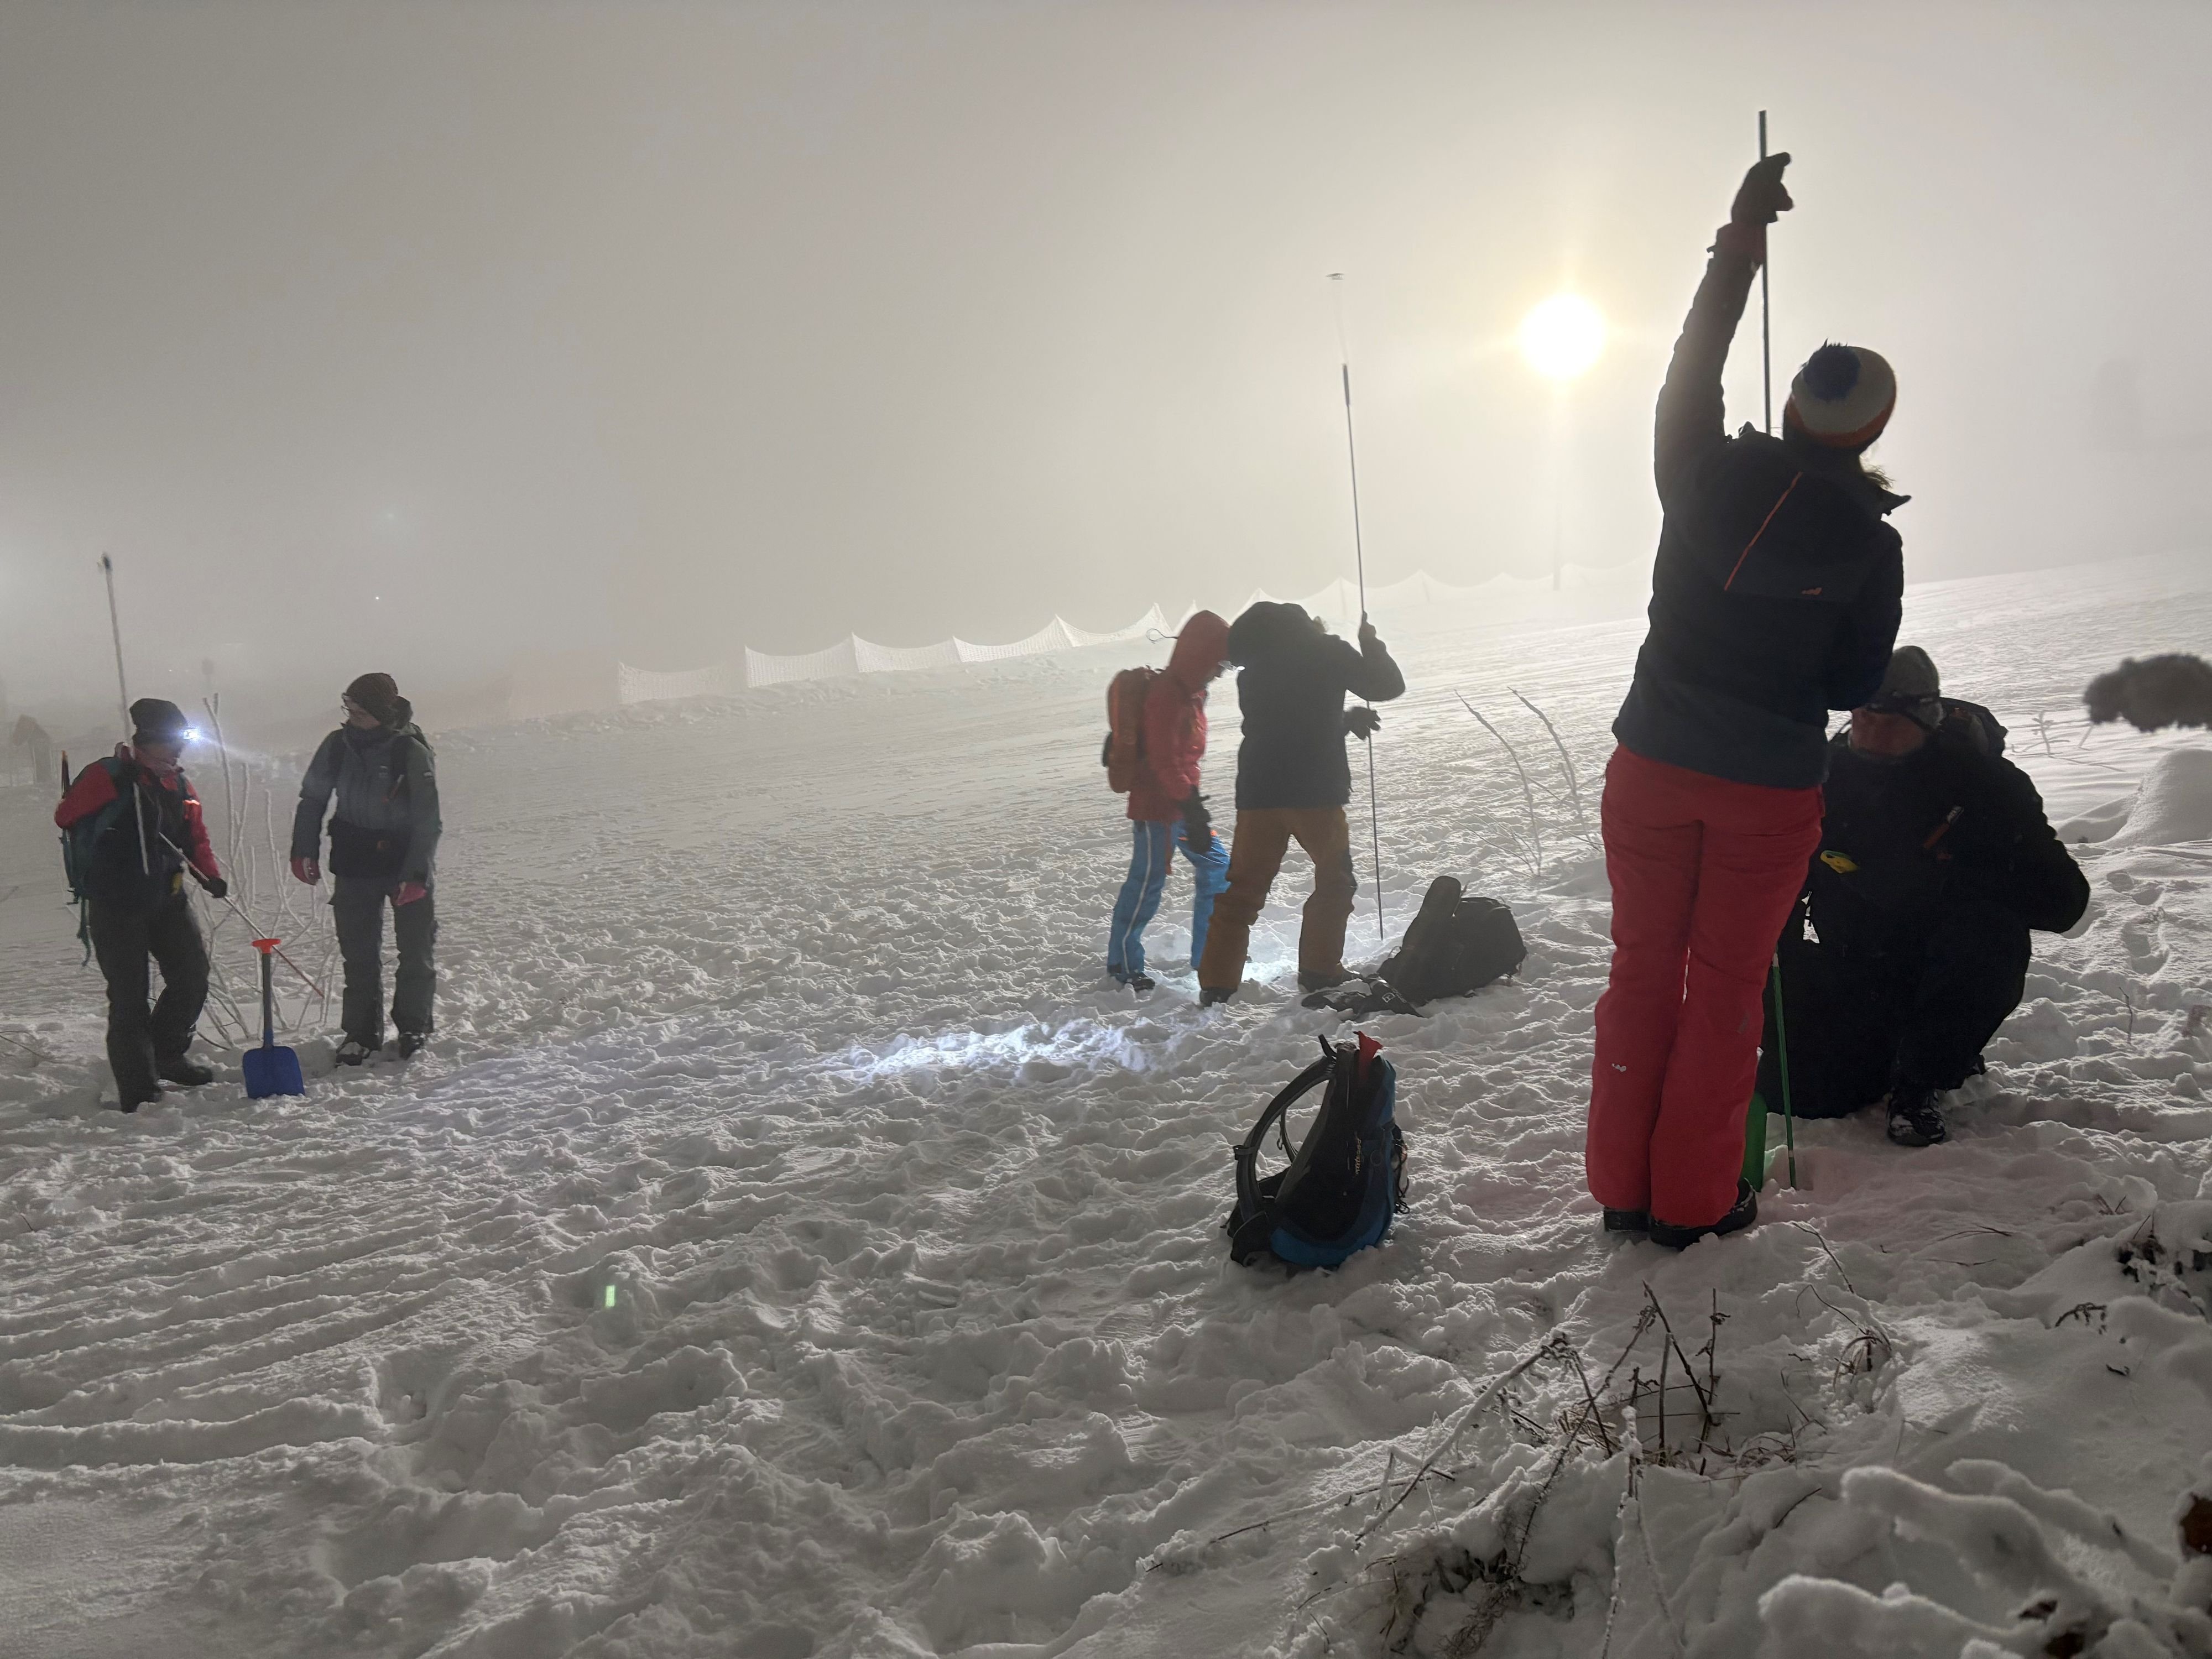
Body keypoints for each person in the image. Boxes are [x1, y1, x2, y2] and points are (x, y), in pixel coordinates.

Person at [1584, 152, 1907, 1249]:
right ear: (1867, 434)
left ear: (1790, 404)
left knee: (1640, 970)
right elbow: (1858, 684)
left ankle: (1619, 1187)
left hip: (1652, 765)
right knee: (1723, 992)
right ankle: (1690, 1202)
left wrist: (1738, 240)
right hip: (1766, 788)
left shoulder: (1696, 471)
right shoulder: (1869, 545)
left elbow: (1689, 364)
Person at [1760, 648, 2089, 1146]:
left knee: (1990, 932)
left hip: (1943, 968)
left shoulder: (1985, 784)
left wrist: (1951, 880)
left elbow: (2066, 903)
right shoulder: (1821, 778)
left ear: (1926, 717)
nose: (1870, 731)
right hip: (1853, 965)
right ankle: (1887, 1051)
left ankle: (1921, 1080)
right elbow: (1776, 884)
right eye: (1862, 716)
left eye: (1888, 720)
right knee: (1798, 1097)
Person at [1196, 603, 1404, 1005]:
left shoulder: (1253, 673)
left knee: (1242, 892)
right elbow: (1386, 686)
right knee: (1335, 881)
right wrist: (1370, 644)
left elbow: (1287, 722)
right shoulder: (1328, 651)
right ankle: (1319, 971)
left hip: (1258, 794)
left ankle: (1217, 985)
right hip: (1314, 794)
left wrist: (1342, 722)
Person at [54, 698, 225, 1112]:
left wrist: (211, 873)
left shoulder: (180, 785)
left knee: (192, 977)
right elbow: (65, 816)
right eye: (169, 743)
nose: (177, 752)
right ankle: (138, 1085)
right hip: (116, 902)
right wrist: (119, 782)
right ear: (146, 741)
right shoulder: (108, 774)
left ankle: (168, 1053)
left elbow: (195, 837)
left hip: (167, 896)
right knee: (131, 996)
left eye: (180, 743)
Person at [290, 674, 441, 1063]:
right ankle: (360, 1033)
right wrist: (303, 849)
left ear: (381, 712)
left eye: (360, 711)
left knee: (415, 951)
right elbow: (312, 799)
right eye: (349, 709)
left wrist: (417, 876)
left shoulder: (409, 751)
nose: (352, 717)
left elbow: (428, 819)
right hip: (355, 863)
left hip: (403, 864)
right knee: (358, 955)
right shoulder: (336, 746)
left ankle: (413, 1027)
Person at [1107, 611, 1233, 992]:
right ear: (1201, 657)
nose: (1223, 672)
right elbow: (1164, 760)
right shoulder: (1166, 695)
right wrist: (1190, 806)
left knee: (1218, 867)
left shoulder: (1193, 693)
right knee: (1146, 884)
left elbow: (1184, 759)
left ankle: (1209, 954)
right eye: (1220, 663)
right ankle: (1123, 965)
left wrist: (1192, 807)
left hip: (1182, 805)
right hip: (1156, 810)